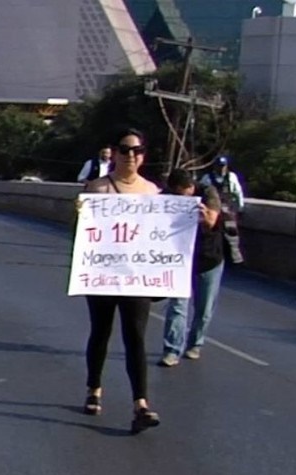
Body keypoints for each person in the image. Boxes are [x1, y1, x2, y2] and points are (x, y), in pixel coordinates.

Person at [80, 127, 161, 434]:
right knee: (101, 331)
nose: (131, 156)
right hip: (104, 275)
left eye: (136, 151)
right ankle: (94, 388)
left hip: (136, 277)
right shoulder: (98, 189)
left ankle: (140, 403)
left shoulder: (152, 193)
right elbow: (85, 232)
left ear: (143, 155)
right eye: (125, 150)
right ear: (114, 153)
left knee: (136, 338)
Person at [159, 168, 224, 367]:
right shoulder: (165, 197)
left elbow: (213, 219)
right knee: (177, 306)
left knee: (203, 308)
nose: (182, 196)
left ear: (191, 186)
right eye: (177, 192)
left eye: (185, 191)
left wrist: (206, 220)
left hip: (208, 258)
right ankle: (172, 349)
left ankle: (195, 343)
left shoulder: (207, 193)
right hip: (181, 259)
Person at [200, 156, 246, 264]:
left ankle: (235, 259)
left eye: (223, 166)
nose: (221, 169)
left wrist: (240, 207)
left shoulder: (231, 177)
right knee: (214, 233)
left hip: (228, 209)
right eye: (219, 166)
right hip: (213, 208)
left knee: (232, 233)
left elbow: (238, 193)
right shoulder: (207, 178)